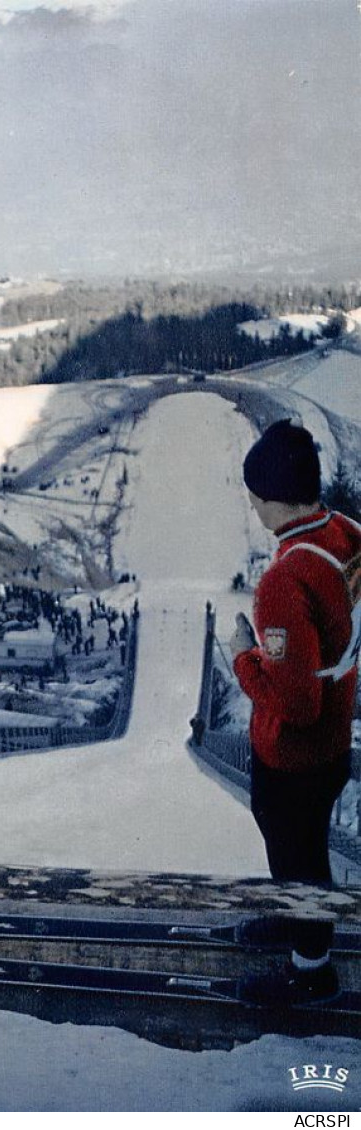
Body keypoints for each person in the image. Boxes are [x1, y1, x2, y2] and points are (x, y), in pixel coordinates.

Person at [230, 419, 361, 1003]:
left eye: (255, 499)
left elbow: (296, 704)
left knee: (297, 854)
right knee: (300, 851)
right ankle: (294, 921)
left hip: (294, 754)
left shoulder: (284, 580)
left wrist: (243, 659)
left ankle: (310, 971)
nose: (254, 508)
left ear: (271, 502)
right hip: (334, 738)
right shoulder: (345, 533)